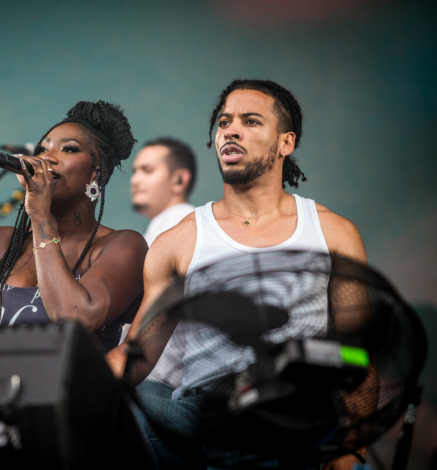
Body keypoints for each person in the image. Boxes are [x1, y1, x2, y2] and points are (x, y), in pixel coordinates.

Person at [107, 80, 369, 469]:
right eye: (224, 122)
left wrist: (352, 449)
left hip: (298, 418)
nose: (230, 130)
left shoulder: (334, 233)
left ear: (286, 143)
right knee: (135, 403)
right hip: (205, 423)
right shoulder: (177, 241)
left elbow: (360, 355)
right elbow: (136, 358)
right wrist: (71, 375)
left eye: (251, 121)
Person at [0, 101, 148, 352]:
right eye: (41, 149)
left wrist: (40, 216)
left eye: (68, 149)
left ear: (97, 172)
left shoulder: (123, 246)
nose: (46, 157)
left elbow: (74, 317)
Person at [130, 137, 197, 246]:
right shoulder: (160, 227)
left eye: (147, 170)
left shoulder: (185, 224)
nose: (134, 180)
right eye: (135, 171)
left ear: (179, 180)